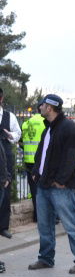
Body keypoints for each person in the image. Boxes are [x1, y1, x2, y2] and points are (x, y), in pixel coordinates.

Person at [27, 94, 75, 274]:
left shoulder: (68, 128)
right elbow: (42, 153)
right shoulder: (49, 128)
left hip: (60, 187)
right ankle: (46, 258)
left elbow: (72, 156)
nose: (40, 107)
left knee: (71, 224)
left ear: (50, 107)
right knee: (44, 224)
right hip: (43, 185)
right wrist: (35, 172)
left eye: (42, 105)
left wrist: (61, 180)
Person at [0, 88, 21, 239]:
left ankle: (3, 226)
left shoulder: (9, 116)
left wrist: (10, 135)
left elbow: (18, 134)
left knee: (5, 191)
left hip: (5, 155)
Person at [21, 109, 46, 222]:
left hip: (28, 160)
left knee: (34, 189)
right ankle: (46, 216)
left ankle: (37, 216)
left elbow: (21, 141)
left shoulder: (26, 123)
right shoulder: (45, 122)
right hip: (41, 160)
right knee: (44, 189)